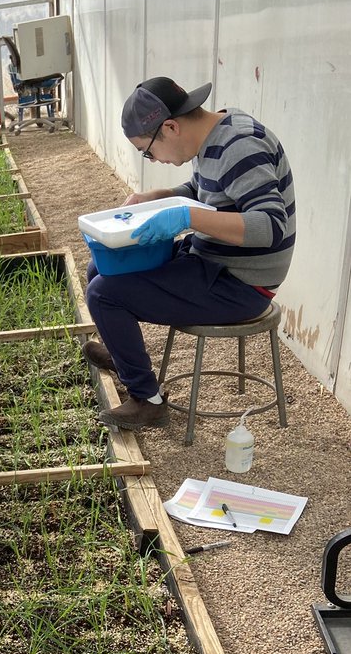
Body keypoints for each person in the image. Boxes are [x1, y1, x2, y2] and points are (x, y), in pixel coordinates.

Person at [83, 76, 295, 430]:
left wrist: (186, 217)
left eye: (147, 151)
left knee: (104, 294)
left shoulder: (239, 146)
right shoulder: (214, 136)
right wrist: (159, 196)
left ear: (170, 126)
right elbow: (205, 189)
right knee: (100, 267)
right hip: (212, 258)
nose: (152, 158)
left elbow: (270, 227)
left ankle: (148, 402)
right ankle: (125, 358)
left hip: (240, 283)